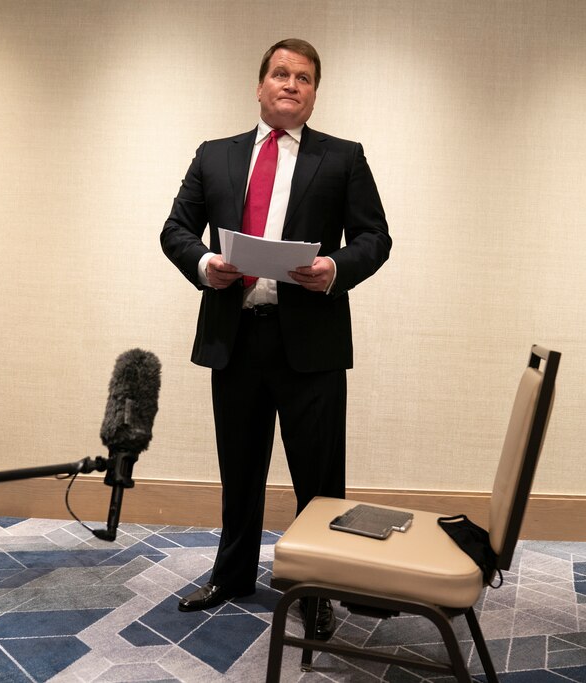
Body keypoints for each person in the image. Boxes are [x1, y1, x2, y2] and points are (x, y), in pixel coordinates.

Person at [160, 38, 391, 639]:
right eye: (281, 74)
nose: (291, 84)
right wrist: (207, 263)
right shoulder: (215, 156)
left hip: (310, 342)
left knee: (319, 477)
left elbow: (375, 238)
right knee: (240, 468)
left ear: (315, 95)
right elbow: (175, 229)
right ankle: (233, 573)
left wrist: (335, 270)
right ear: (259, 86)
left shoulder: (343, 158)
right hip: (235, 337)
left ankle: (318, 589)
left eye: (305, 78)